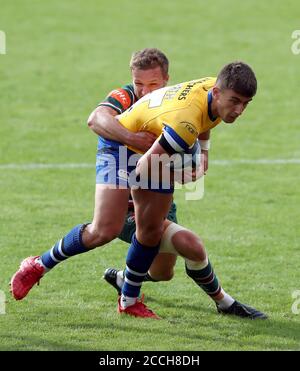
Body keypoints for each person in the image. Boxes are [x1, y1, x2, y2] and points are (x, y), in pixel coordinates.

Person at [112, 61, 263, 319]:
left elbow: (207, 116)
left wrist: (203, 152)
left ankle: (122, 279)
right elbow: (141, 169)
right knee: (187, 244)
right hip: (129, 195)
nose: (239, 110)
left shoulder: (210, 90)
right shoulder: (183, 124)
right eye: (235, 101)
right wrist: (177, 174)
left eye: (246, 104)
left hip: (156, 189)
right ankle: (225, 303)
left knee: (163, 272)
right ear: (217, 92)